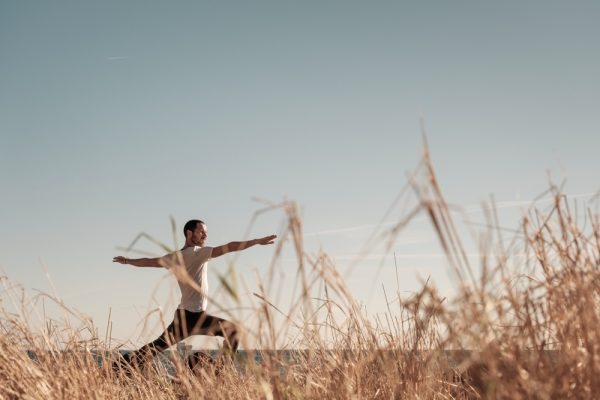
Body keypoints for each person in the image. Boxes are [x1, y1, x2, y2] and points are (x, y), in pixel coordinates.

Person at [112, 219, 276, 368]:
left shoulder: (175, 257)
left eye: (205, 232)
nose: (205, 235)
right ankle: (221, 370)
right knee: (234, 331)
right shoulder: (198, 253)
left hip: (183, 317)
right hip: (194, 317)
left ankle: (119, 367)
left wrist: (128, 261)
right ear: (189, 233)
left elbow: (149, 262)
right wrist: (256, 242)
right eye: (201, 231)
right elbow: (230, 247)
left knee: (156, 347)